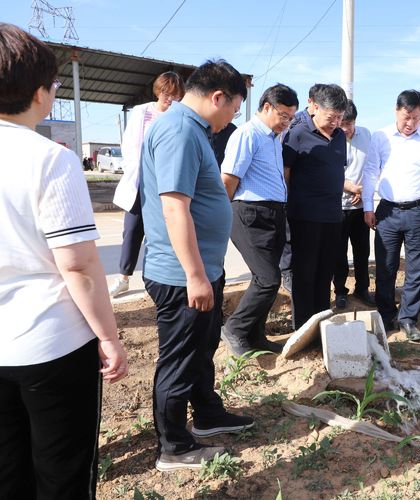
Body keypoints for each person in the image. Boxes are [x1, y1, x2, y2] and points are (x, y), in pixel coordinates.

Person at [0, 23, 128, 499]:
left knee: (7, 471)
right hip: (50, 343)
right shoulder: (49, 159)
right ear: (39, 93)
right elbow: (78, 265)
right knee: (62, 473)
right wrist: (109, 337)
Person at [140, 59, 253, 470]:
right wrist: (194, 275)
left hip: (203, 270)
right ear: (218, 97)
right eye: (233, 109)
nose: (231, 119)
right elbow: (175, 208)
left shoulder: (192, 129)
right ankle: (174, 446)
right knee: (180, 359)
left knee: (202, 350)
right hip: (182, 275)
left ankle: (207, 413)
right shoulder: (180, 132)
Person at [220, 84, 299, 356]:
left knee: (263, 278)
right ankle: (235, 329)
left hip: (273, 214)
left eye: (291, 118)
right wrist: (223, 216)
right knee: (268, 279)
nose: (287, 122)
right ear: (267, 107)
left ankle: (255, 335)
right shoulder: (248, 134)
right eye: (284, 116)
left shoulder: (274, 138)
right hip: (249, 213)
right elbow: (228, 180)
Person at [363, 89, 420, 342]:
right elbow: (370, 172)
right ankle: (386, 315)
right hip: (388, 211)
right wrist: (367, 206)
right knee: (386, 267)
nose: (410, 123)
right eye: (406, 117)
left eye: (416, 118)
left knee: (416, 269)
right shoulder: (381, 137)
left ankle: (408, 318)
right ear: (396, 111)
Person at [110, 71, 185, 297]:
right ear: (158, 91)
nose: (170, 99)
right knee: (132, 230)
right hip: (140, 181)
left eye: (175, 95)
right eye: (166, 93)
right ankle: (123, 278)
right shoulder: (142, 112)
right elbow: (129, 145)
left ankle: (159, 278)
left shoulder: (179, 116)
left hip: (164, 184)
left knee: (162, 232)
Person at [283, 84, 348, 328]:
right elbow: (286, 174)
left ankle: (321, 323)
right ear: (316, 108)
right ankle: (303, 327)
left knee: (325, 272)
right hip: (304, 217)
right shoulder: (297, 133)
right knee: (304, 274)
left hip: (332, 216)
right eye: (331, 117)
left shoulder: (339, 136)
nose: (336, 123)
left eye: (340, 117)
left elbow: (335, 172)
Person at [333, 99, 376, 309]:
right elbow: (328, 172)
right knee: (339, 253)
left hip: (360, 207)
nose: (345, 129)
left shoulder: (366, 135)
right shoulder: (331, 138)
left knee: (362, 251)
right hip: (338, 207)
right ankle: (340, 291)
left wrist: (363, 191)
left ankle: (362, 288)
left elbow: (372, 167)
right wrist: (350, 187)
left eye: (349, 124)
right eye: (342, 124)